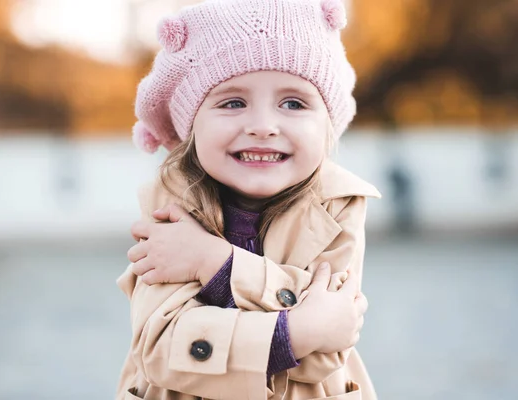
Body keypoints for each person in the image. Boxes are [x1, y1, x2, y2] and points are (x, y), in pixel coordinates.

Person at [116, 0, 381, 398]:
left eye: (293, 103)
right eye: (233, 102)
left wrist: (215, 263)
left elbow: (325, 352)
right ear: (192, 126)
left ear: (326, 124)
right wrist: (297, 330)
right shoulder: (169, 207)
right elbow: (162, 350)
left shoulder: (339, 204)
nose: (262, 127)